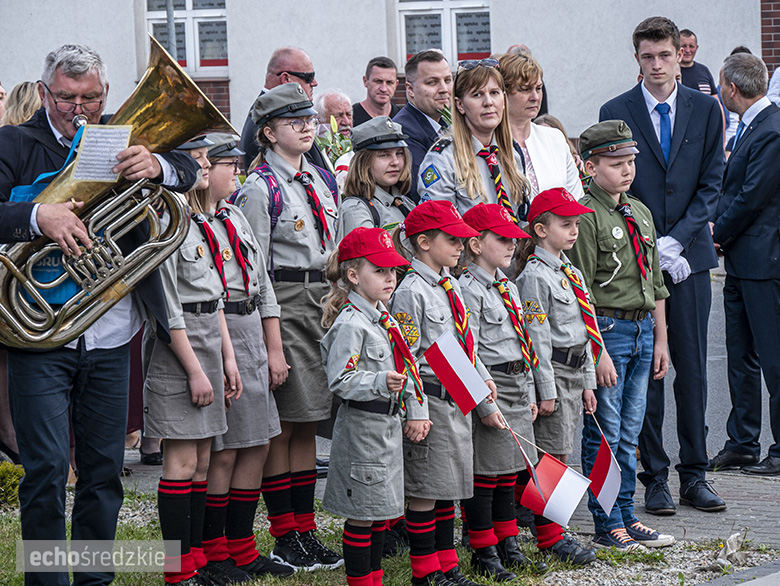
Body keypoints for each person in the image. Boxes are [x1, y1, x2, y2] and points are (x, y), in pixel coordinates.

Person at [0, 44, 200, 586]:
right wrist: (39, 215)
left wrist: (158, 163)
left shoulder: (121, 137)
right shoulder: (15, 142)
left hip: (111, 334)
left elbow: (190, 166)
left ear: (106, 93)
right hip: (39, 337)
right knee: (44, 472)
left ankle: (93, 579)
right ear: (45, 94)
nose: (79, 108)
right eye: (66, 98)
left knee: (104, 472)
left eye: (90, 97)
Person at [599, 16, 726, 516]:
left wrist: (677, 241)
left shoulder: (705, 108)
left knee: (691, 369)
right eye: (647, 57)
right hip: (634, 261)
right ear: (637, 59)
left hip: (687, 260)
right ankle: (653, 477)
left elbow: (712, 182)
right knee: (645, 371)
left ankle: (695, 472)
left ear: (681, 55)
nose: (656, 65)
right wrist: (650, 245)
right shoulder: (618, 110)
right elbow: (613, 183)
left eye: (664, 55)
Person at [231, 83, 342, 571]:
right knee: (285, 423)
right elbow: (252, 268)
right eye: (292, 120)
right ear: (269, 133)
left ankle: (304, 527)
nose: (306, 125)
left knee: (308, 420)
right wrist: (269, 342)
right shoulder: (258, 189)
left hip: (321, 299)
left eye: (308, 117)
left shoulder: (319, 179)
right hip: (286, 299)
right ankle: (284, 531)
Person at [568, 121, 674, 551]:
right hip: (607, 332)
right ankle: (606, 520)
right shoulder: (584, 215)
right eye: (615, 163)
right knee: (605, 433)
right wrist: (597, 353)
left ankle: (628, 515)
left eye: (630, 161)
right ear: (590, 167)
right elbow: (581, 293)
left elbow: (656, 284)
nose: (626, 170)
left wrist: (661, 340)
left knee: (631, 432)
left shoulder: (639, 211)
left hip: (642, 328)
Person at [193, 133, 294, 582]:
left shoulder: (235, 215)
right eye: (227, 164)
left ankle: (243, 546)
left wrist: (274, 347)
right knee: (226, 451)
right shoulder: (190, 222)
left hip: (251, 326)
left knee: (258, 440)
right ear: (203, 170)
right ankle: (214, 550)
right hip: (218, 331)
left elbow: (264, 285)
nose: (237, 171)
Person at [144, 135, 240, 586]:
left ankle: (197, 559)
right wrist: (197, 369)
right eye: (198, 158)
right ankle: (176, 571)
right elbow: (167, 307)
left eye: (207, 158)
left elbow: (215, 296)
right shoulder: (163, 219)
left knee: (202, 462)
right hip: (179, 349)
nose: (206, 165)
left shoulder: (192, 218)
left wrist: (227, 359)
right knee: (181, 464)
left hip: (207, 339)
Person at [390, 199, 498, 586]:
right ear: (422, 242)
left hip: (458, 400)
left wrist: (481, 380)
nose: (460, 246)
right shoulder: (412, 292)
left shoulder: (447, 286)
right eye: (451, 239)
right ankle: (425, 572)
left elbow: (463, 344)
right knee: (425, 490)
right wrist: (416, 410)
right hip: (432, 402)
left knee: (448, 487)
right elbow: (407, 357)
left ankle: (447, 566)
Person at [320, 226, 419, 586]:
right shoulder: (352, 323)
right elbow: (340, 380)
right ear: (353, 275)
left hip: (385, 430)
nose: (390, 277)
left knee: (378, 514)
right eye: (379, 271)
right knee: (362, 516)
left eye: (392, 270)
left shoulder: (382, 317)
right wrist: (380, 381)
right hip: (363, 432)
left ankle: (373, 579)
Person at [458, 204, 548, 580]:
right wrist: (480, 402)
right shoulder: (467, 289)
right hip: (490, 385)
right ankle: (483, 549)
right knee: (487, 474)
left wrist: (529, 388)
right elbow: (469, 348)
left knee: (511, 471)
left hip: (515, 384)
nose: (513, 245)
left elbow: (524, 341)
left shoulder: (508, 286)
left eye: (514, 238)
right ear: (476, 244)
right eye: (502, 238)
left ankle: (508, 542)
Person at [514, 189, 599, 562]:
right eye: (565, 224)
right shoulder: (534, 276)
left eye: (576, 223)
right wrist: (545, 388)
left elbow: (586, 326)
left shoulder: (571, 271)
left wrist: (589, 382)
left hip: (575, 372)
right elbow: (536, 337)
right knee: (554, 457)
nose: (574, 230)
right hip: (554, 373)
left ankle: (538, 523)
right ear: (540, 230)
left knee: (559, 453)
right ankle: (551, 536)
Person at [710, 53, 780, 476]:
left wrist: (717, 233)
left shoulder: (771, 129)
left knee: (773, 358)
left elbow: (752, 195)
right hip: (741, 261)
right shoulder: (753, 124)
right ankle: (742, 441)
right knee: (740, 357)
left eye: (721, 85)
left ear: (731, 89)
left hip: (763, 261)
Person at [417, 59, 529, 223]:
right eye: (477, 95)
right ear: (460, 105)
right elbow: (441, 230)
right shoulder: (443, 159)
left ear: (504, 100)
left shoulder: (511, 153)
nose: (488, 102)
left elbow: (520, 218)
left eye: (494, 93)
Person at [498, 52, 584, 201]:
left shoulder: (554, 138)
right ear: (503, 93)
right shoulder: (490, 142)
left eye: (538, 88)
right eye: (525, 89)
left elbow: (575, 199)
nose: (535, 97)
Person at [239, 47, 330, 172]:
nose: (314, 83)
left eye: (308, 121)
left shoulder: (276, 113)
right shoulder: (264, 118)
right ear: (286, 79)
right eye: (308, 77)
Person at [337, 116, 415, 236]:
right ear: (364, 162)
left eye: (399, 153)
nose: (395, 162)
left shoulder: (406, 203)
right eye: (384, 155)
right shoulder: (357, 209)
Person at [393, 50, 453, 202]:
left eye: (447, 80)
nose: (444, 89)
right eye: (432, 82)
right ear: (410, 89)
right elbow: (422, 189)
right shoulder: (403, 130)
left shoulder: (446, 121)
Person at [352, 56, 400, 126]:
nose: (383, 89)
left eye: (389, 82)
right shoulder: (350, 118)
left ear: (396, 85)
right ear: (365, 81)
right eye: (378, 81)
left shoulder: (402, 118)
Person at [679, 30, 718, 95]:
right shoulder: (671, 71)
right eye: (684, 46)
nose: (688, 50)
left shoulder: (704, 70)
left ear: (696, 48)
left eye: (691, 46)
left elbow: (715, 100)